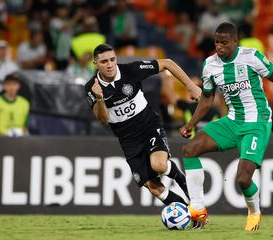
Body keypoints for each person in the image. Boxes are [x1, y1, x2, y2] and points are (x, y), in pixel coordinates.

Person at [179, 22, 273, 230]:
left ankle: (254, 211)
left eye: (224, 43)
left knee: (243, 179)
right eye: (217, 42)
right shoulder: (210, 64)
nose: (219, 47)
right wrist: (190, 124)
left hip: (256, 122)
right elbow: (207, 98)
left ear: (235, 42)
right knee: (189, 150)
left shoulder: (251, 56)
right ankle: (198, 210)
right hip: (232, 121)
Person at [84, 44, 201, 208]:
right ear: (96, 64)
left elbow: (167, 63)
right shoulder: (92, 88)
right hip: (128, 140)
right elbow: (103, 119)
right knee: (152, 186)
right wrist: (100, 98)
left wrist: (191, 86)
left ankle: (183, 183)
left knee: (158, 165)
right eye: (104, 61)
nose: (110, 65)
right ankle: (188, 212)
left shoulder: (131, 70)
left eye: (112, 59)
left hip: (148, 127)